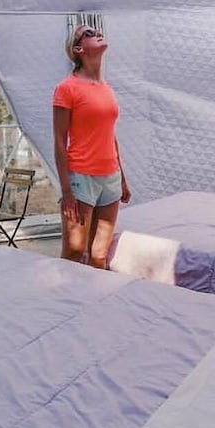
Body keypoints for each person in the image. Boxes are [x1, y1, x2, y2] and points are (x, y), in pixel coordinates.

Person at [52, 24, 130, 268]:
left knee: (99, 255)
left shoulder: (106, 88)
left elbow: (110, 135)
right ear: (78, 49)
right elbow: (59, 140)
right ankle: (65, 293)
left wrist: (122, 178)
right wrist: (66, 192)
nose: (96, 33)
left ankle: (94, 294)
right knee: (74, 253)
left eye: (96, 31)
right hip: (81, 178)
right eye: (88, 33)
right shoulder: (67, 88)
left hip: (110, 177)